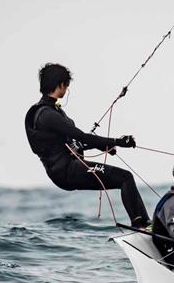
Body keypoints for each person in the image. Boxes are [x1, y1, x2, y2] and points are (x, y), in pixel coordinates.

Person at [25, 63, 150, 228]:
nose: (67, 90)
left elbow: (73, 143)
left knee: (124, 178)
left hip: (64, 170)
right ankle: (141, 225)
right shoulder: (48, 115)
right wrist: (118, 141)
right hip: (67, 171)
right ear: (60, 85)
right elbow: (81, 136)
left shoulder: (46, 111)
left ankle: (143, 223)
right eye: (66, 86)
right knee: (125, 178)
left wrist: (101, 146)